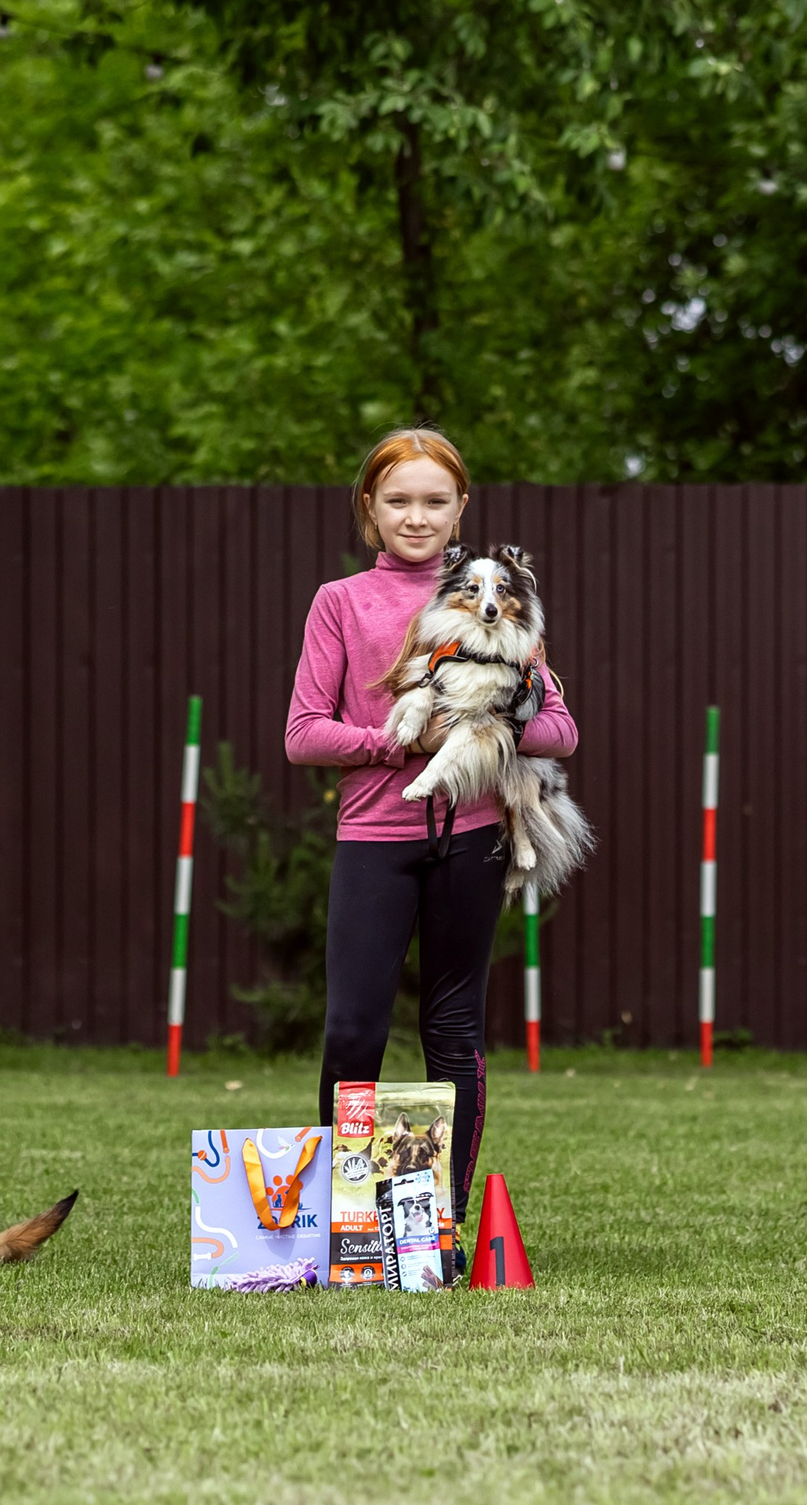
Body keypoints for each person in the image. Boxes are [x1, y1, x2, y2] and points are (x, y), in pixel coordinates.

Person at [286, 428, 578, 1268]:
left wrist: (500, 720)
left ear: (461, 512)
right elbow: (304, 735)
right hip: (375, 838)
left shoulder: (495, 597)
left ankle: (434, 1232)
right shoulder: (341, 601)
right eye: (399, 501)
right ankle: (348, 1226)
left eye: (435, 502)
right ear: (370, 511)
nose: (418, 516)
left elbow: (560, 727)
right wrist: (404, 744)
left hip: (474, 840)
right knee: (352, 1032)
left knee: (454, 1031)